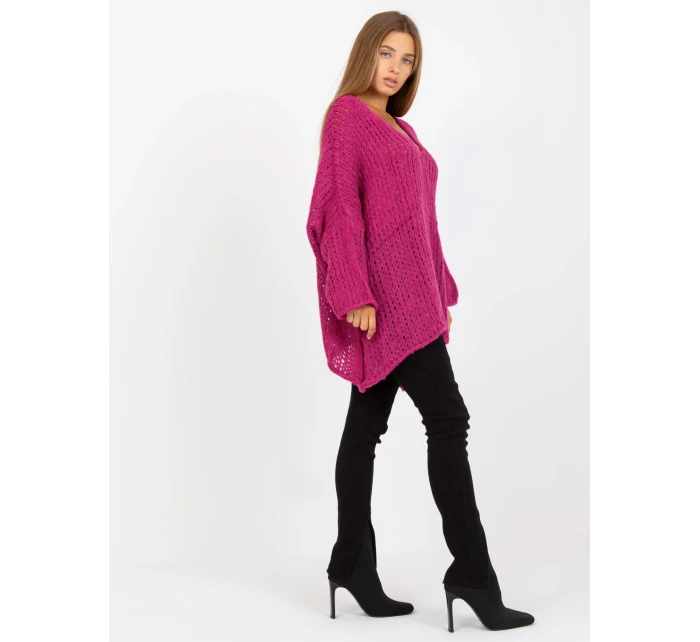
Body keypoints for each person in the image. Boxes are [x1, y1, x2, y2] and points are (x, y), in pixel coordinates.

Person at [305, 11, 535, 632]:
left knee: (365, 429)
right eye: (386, 53)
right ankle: (473, 576)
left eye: (407, 59)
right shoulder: (347, 117)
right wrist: (353, 290)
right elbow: (338, 207)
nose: (396, 68)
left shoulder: (401, 129)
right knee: (448, 420)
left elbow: (418, 222)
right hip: (381, 305)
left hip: (415, 304)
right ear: (366, 53)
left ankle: (352, 565)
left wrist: (439, 294)